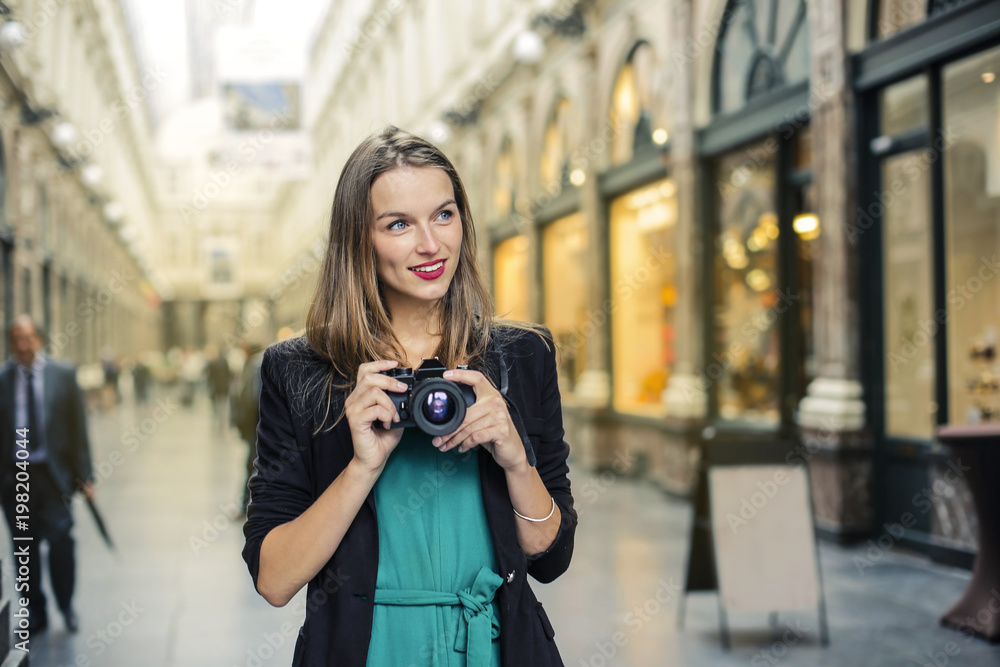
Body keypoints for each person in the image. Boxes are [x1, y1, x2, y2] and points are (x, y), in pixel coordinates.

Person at [242, 126, 576, 666]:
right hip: (370, 649)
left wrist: (514, 457)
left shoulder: (522, 357)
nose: (430, 244)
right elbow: (274, 580)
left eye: (444, 215)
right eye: (399, 224)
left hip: (496, 646)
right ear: (359, 241)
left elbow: (551, 558)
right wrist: (361, 468)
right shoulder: (299, 370)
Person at [0, 314, 94, 633]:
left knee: (61, 541)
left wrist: (87, 475)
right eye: (16, 339)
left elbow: (78, 428)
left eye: (28, 338)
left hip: (54, 477)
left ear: (39, 339)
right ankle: (36, 610)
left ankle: (66, 605)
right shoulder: (2, 379)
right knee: (23, 547)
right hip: (17, 478)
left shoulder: (62, 374)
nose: (22, 345)